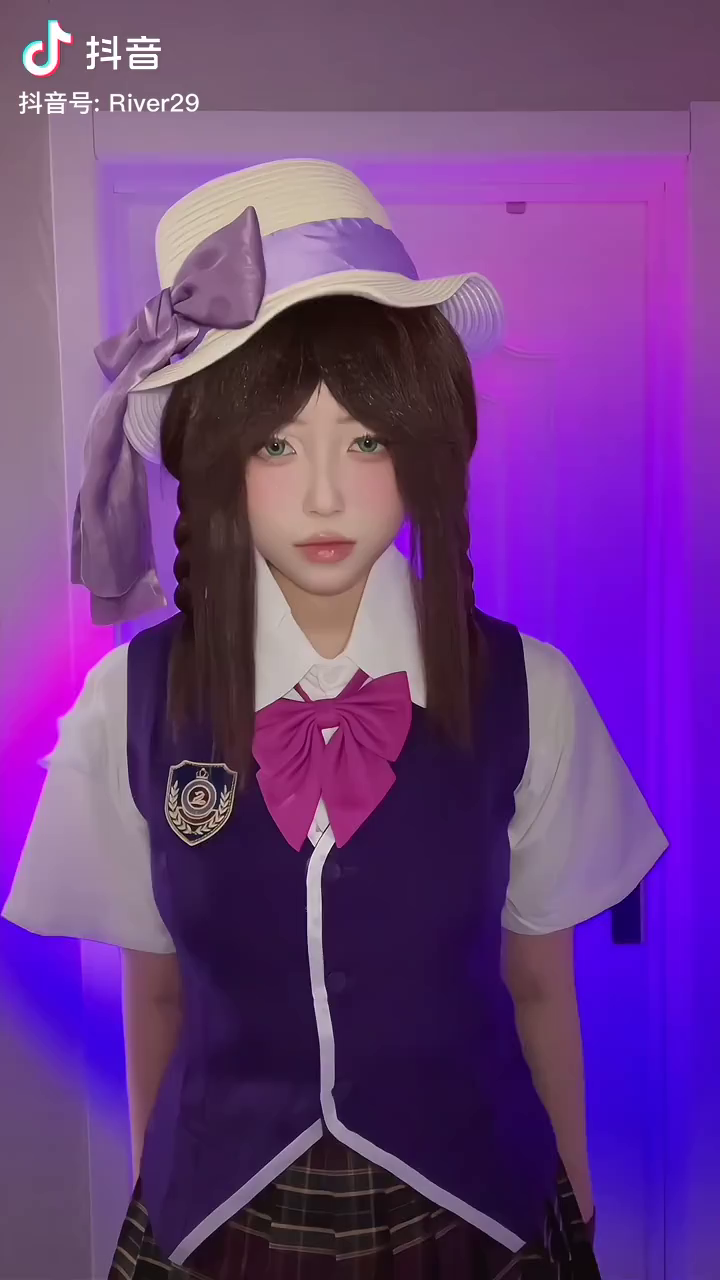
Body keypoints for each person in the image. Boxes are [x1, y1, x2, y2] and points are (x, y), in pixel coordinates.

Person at [1, 158, 668, 1279]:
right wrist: (163, 1184)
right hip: (222, 1220)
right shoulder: (130, 702)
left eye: (366, 440)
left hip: (482, 1213)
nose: (324, 495)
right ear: (220, 463)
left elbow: (540, 980)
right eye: (276, 444)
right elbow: (154, 989)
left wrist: (581, 1193)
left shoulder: (531, 688)